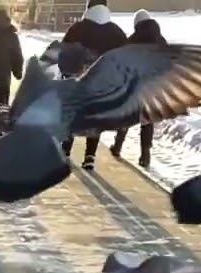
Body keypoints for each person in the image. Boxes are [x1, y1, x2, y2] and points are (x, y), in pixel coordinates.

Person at [59, 0, 126, 170]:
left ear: (88, 8)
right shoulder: (117, 32)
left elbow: (64, 54)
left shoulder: (77, 28)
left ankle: (65, 151)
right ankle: (90, 155)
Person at [111, 9, 166, 168]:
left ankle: (117, 146)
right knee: (147, 120)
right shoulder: (161, 41)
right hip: (154, 85)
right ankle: (145, 154)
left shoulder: (132, 40)